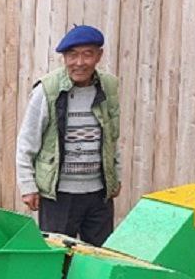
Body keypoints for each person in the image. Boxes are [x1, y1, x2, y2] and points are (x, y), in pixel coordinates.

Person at [15, 25, 120, 247]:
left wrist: (115, 176)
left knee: (100, 256)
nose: (79, 62)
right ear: (64, 58)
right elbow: (27, 141)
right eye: (72, 55)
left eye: (87, 54)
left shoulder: (108, 87)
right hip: (58, 195)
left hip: (98, 194)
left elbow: (112, 137)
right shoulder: (47, 90)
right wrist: (28, 186)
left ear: (98, 56)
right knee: (57, 258)